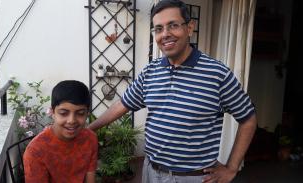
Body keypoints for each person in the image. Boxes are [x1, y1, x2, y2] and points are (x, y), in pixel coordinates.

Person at [88, 0, 257, 182]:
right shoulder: (150, 72)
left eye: (173, 25)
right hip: (151, 173)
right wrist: (89, 129)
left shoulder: (217, 74)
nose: (165, 34)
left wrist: (231, 168)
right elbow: (123, 104)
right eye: (158, 29)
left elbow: (248, 119)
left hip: (192, 178)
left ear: (190, 28)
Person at [23, 80, 98, 183]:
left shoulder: (90, 138)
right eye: (63, 113)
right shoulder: (36, 151)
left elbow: (90, 178)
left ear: (87, 114)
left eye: (80, 113)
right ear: (53, 112)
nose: (72, 120)